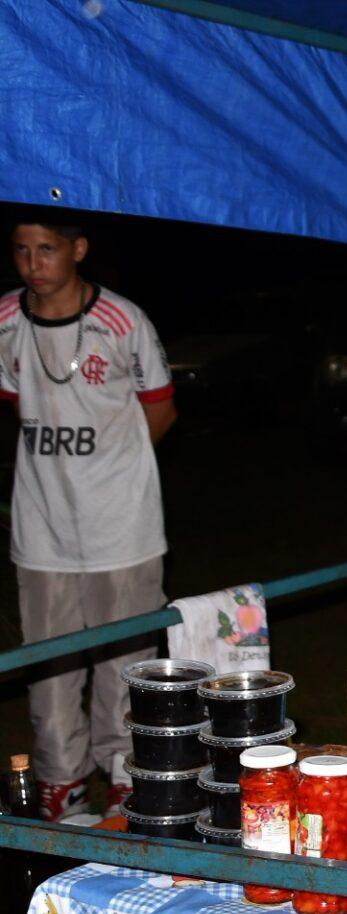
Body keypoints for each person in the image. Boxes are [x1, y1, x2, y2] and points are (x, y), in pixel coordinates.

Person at [1, 218, 176, 819]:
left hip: (122, 527)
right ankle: (60, 781)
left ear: (77, 250)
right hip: (42, 528)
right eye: (22, 250)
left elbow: (160, 408)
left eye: (46, 249)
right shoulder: (5, 321)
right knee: (47, 666)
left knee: (124, 665)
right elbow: (13, 401)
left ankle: (127, 773)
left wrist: (116, 470)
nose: (33, 263)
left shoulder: (122, 322)